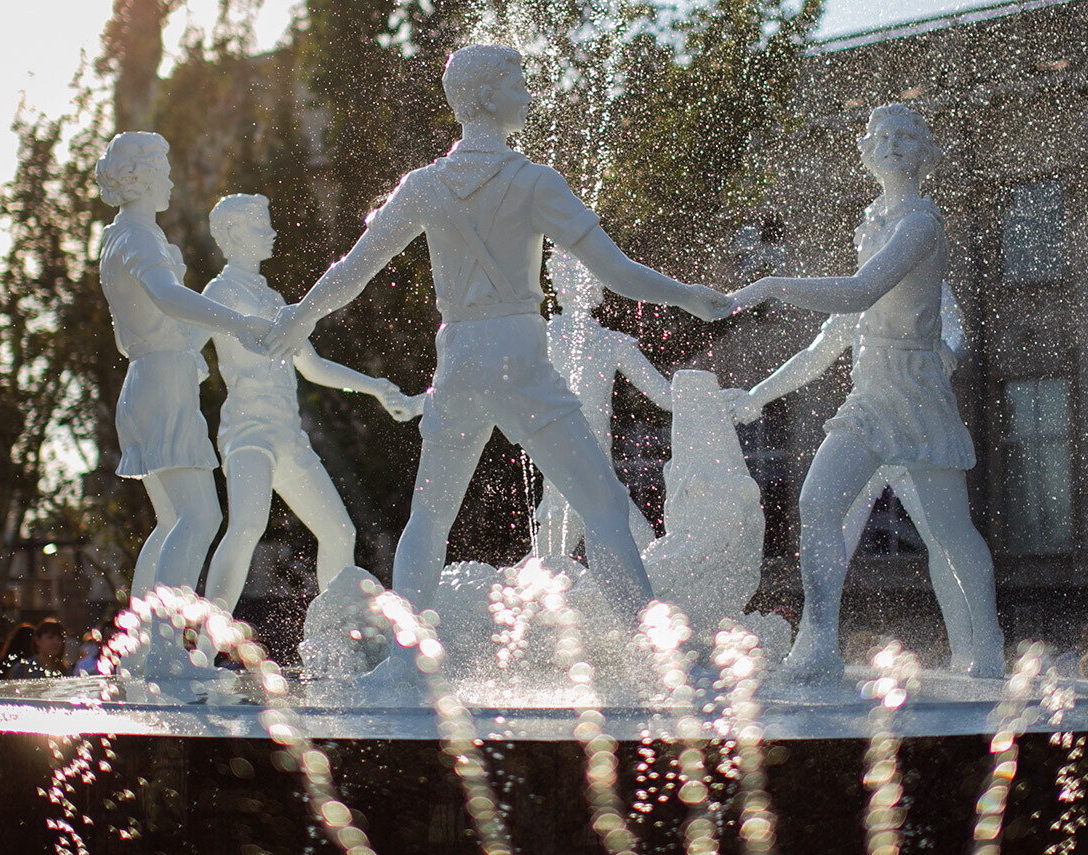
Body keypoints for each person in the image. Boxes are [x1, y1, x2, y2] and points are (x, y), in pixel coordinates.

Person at [264, 45, 735, 680]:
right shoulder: (535, 182)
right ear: (485, 95)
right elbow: (615, 271)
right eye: (516, 81)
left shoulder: (425, 186)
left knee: (429, 515)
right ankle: (658, 654)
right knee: (601, 503)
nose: (528, 91)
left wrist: (298, 317)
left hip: (457, 358)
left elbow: (352, 272)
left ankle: (403, 663)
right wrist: (689, 296)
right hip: (517, 356)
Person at [731, 103, 1003, 682]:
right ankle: (819, 643)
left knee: (951, 532)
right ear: (865, 152)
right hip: (870, 393)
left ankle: (988, 646)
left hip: (917, 390)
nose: (892, 143)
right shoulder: (873, 224)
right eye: (880, 136)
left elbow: (859, 293)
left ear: (927, 153)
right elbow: (830, 340)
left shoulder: (919, 224)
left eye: (906, 135)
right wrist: (758, 393)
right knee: (818, 504)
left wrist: (772, 284)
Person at [732, 283, 981, 672]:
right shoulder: (860, 292)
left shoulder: (927, 284)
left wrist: (944, 348)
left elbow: (955, 335)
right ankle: (816, 642)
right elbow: (815, 355)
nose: (865, 237)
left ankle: (971, 648)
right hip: (866, 423)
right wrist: (757, 395)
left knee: (945, 537)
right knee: (824, 517)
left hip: (915, 426)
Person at [200, 193, 421, 610]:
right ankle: (206, 647)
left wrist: (375, 386)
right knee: (247, 526)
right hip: (249, 432)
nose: (272, 232)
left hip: (288, 434)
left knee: (340, 533)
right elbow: (188, 342)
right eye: (259, 225)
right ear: (231, 233)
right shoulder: (220, 292)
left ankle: (331, 637)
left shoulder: (274, 298)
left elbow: (312, 367)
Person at [95, 132, 272, 607]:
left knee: (174, 521)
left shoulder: (116, 239)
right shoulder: (138, 237)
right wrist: (237, 323)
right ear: (145, 176)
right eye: (165, 170)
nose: (171, 180)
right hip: (164, 383)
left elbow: (135, 327)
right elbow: (167, 297)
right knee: (200, 518)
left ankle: (141, 647)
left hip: (145, 380)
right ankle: (165, 644)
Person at [534, 251, 673, 556]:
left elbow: (666, 396)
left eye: (581, 274)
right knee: (555, 553)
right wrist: (425, 403)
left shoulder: (612, 343)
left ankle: (505, 594)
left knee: (553, 554)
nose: (574, 281)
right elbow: (495, 385)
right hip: (561, 454)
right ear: (556, 280)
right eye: (566, 273)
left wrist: (705, 398)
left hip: (596, 457)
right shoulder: (539, 337)